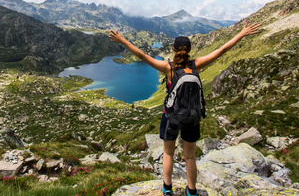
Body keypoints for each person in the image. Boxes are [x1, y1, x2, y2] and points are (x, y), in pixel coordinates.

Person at [109, 22, 261, 196]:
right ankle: (192, 191)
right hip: (192, 116)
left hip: (171, 117)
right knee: (190, 157)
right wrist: (241, 34)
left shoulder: (169, 68)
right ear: (189, 49)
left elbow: (142, 55)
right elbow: (222, 50)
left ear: (173, 50)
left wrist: (122, 40)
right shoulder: (196, 65)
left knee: (168, 153)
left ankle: (167, 189)